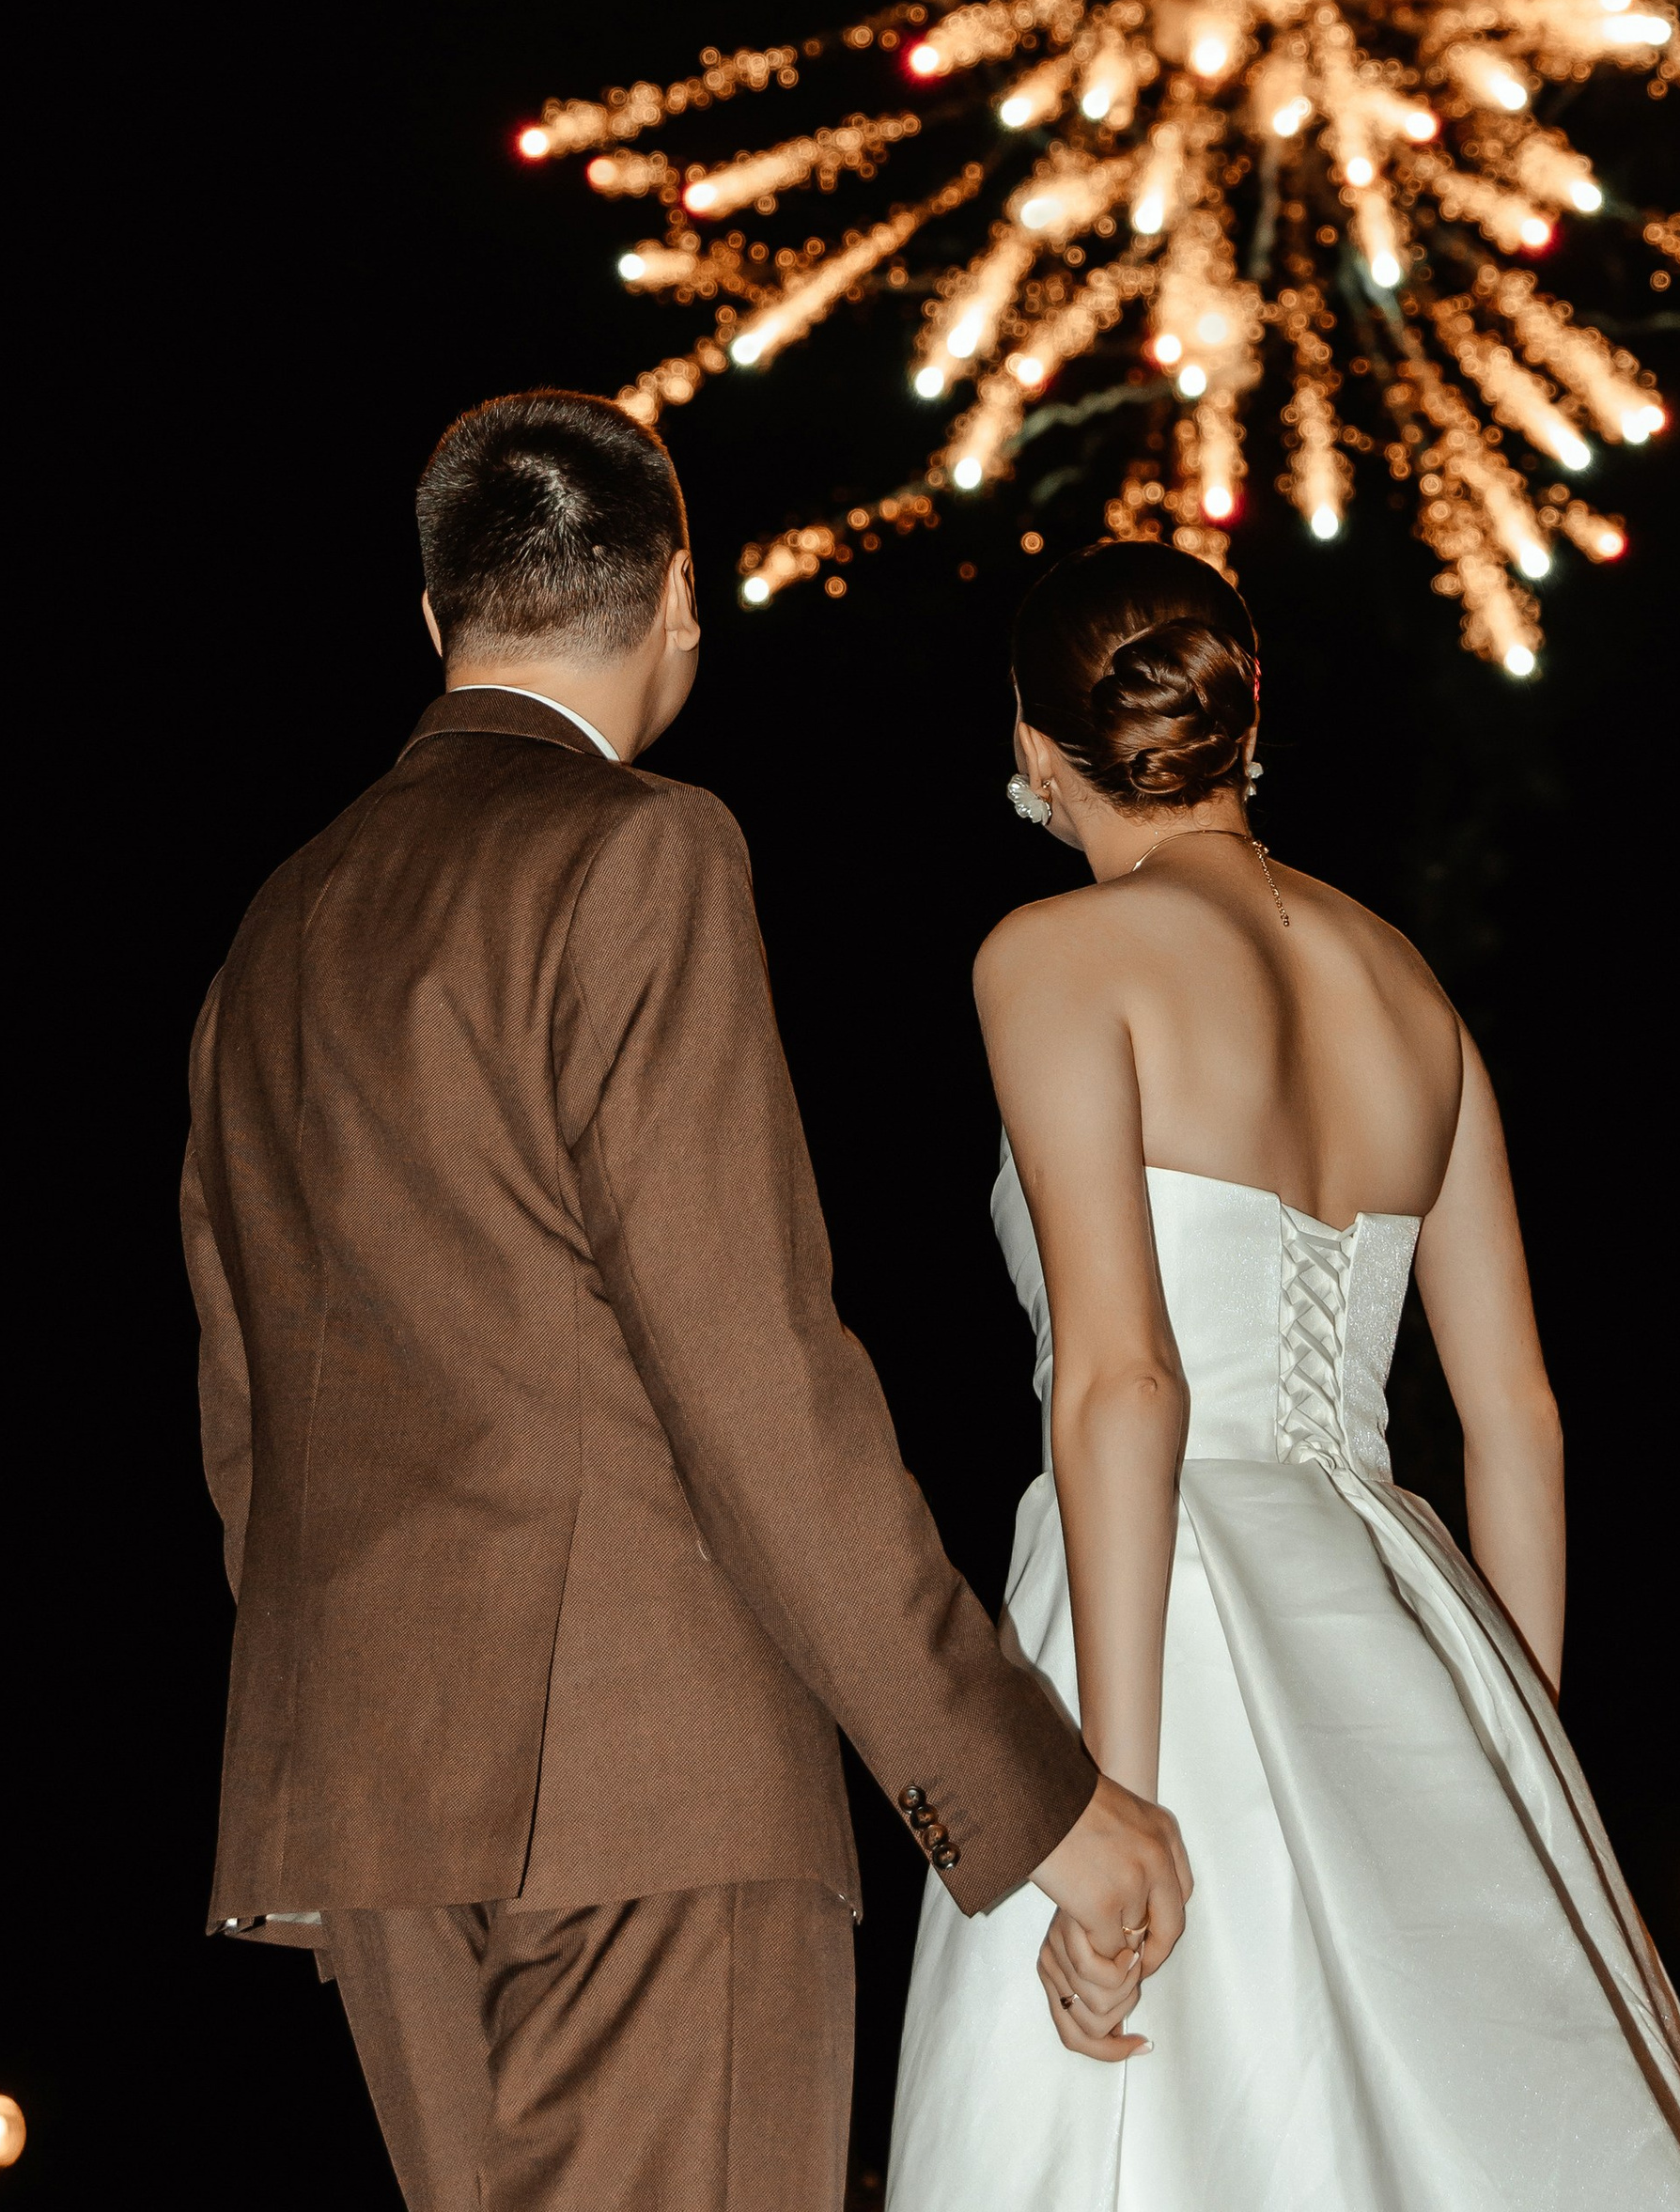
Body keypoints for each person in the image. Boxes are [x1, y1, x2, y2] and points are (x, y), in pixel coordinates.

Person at [180, 392, 1190, 2212]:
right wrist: (1024, 1792)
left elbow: (245, 1423)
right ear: (677, 599)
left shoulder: (277, 929)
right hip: (651, 1804)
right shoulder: (642, 853)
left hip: (370, 1819)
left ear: (435, 619)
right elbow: (757, 1387)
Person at [887, 539, 1680, 2210]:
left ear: (1034, 740)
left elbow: (1125, 1387)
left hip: (1164, 1600)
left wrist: (1115, 1812)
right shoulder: (1414, 995)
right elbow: (1518, 1422)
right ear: (1235, 726)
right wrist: (1516, 1768)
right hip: (1402, 1608)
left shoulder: (1054, 959)